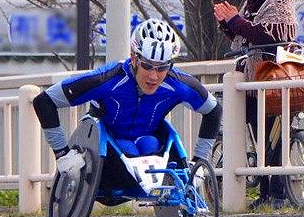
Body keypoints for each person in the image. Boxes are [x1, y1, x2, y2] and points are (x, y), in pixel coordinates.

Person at [32, 18, 221, 201]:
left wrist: (199, 161)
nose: (154, 76)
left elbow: (213, 110)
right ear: (134, 58)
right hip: (108, 157)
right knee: (129, 148)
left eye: (162, 68)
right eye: (147, 66)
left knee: (149, 144)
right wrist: (62, 154)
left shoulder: (178, 84)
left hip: (150, 152)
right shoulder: (107, 79)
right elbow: (44, 102)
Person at [214, 0, 298, 210]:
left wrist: (236, 21)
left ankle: (279, 194)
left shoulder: (281, 0)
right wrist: (228, 23)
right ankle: (265, 193)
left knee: (275, 138)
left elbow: (266, 36)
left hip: (274, 76)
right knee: (260, 138)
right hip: (253, 78)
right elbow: (243, 37)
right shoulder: (253, 2)